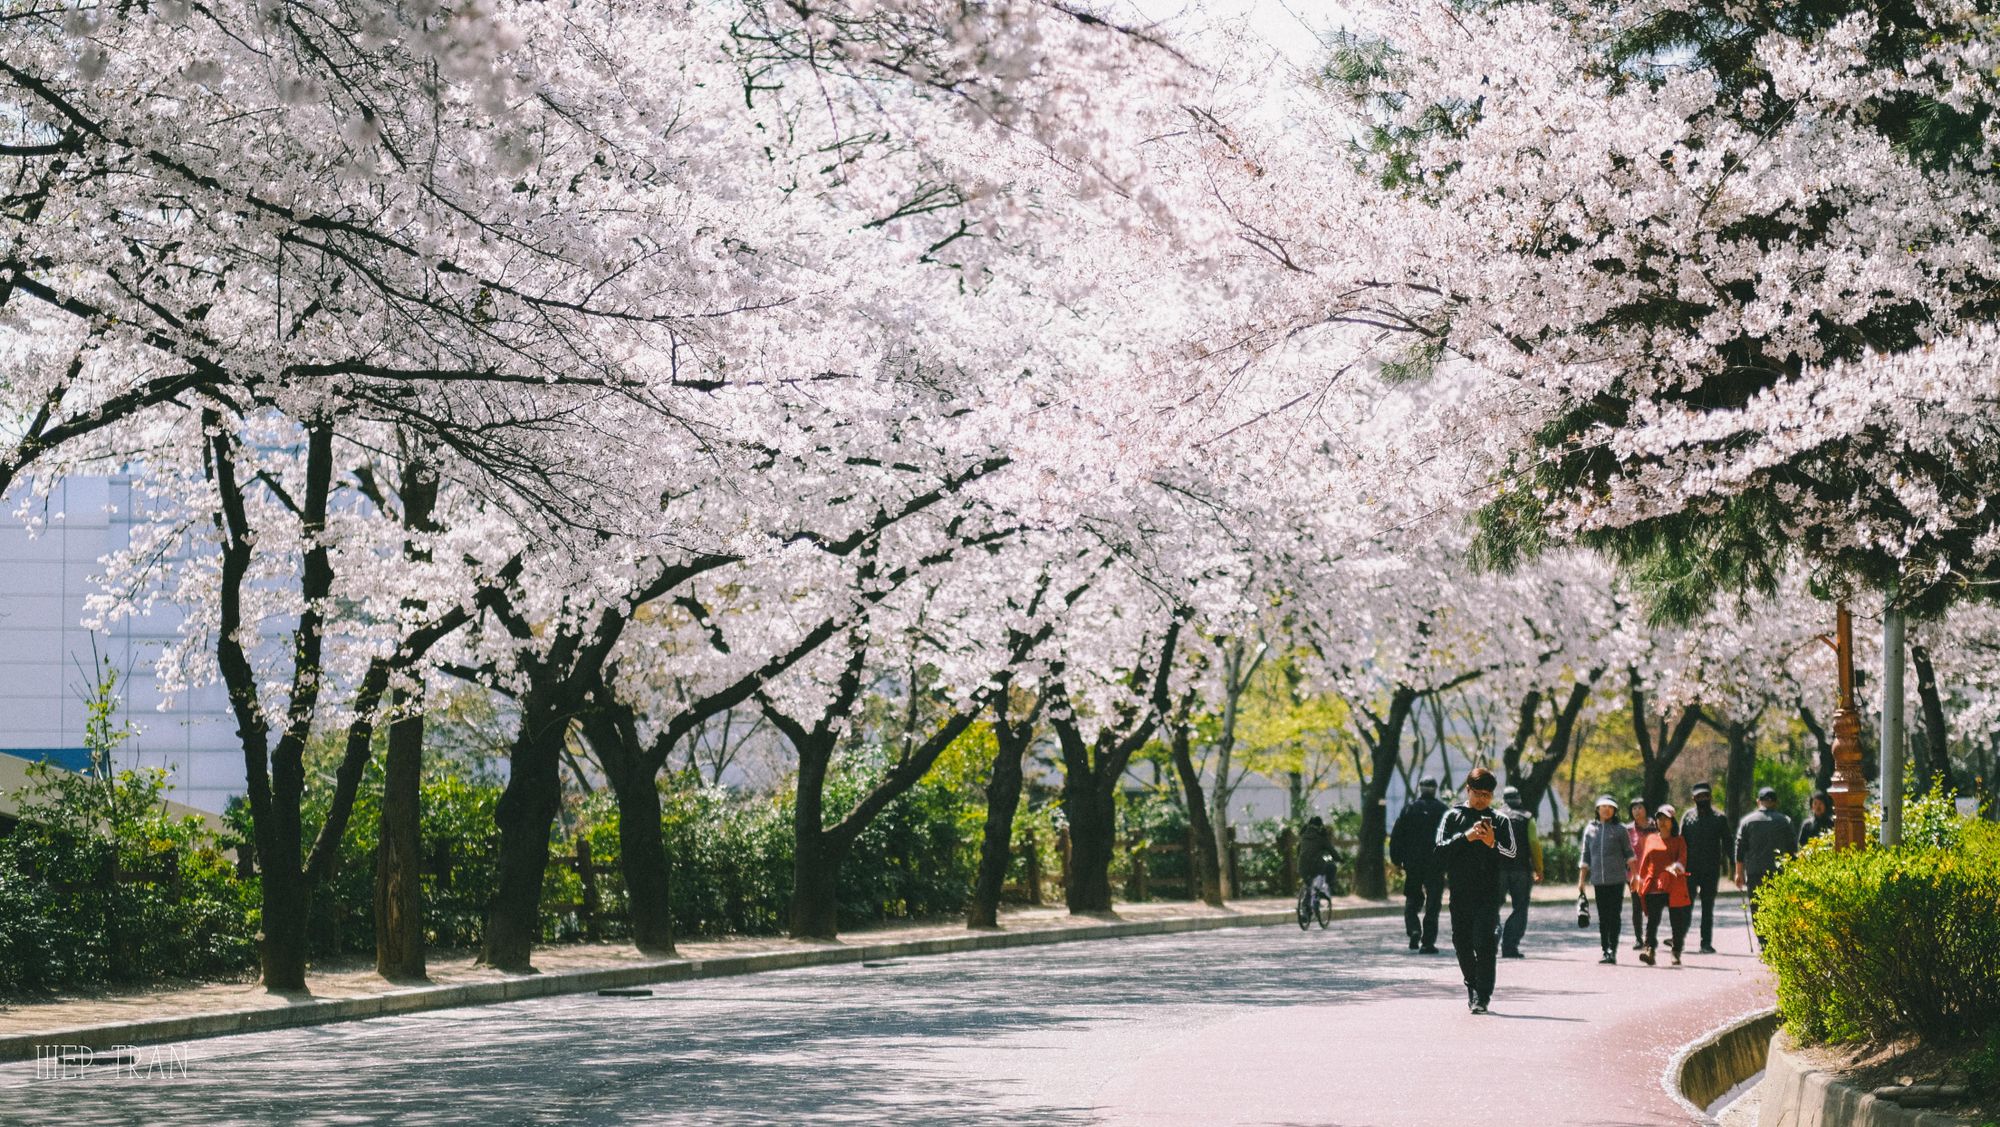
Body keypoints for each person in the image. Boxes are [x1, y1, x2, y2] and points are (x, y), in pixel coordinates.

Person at [1434, 767, 1517, 1013]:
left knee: (1484, 942)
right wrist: (1466, 837)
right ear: (1467, 790)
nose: (1481, 799)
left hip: (1489, 893)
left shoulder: (1500, 820)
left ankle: (1482, 995)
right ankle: (1471, 985)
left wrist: (1493, 843)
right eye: (1477, 793)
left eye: (1487, 794)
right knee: (1461, 941)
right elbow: (1438, 852)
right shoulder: (1452, 817)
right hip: (1460, 892)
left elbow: (1513, 856)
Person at [1390, 777, 1448, 953]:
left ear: (1420, 788)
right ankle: (1428, 942)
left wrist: (1396, 860)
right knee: (1433, 903)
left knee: (1412, 899)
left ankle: (1414, 929)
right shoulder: (1443, 811)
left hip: (1413, 863)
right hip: (1436, 864)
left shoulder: (1409, 809)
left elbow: (1397, 835)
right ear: (1435, 789)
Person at [1735, 786, 1798, 938]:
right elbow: (1793, 850)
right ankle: (1776, 940)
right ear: (1776, 802)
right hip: (1778, 873)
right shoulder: (1785, 821)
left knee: (1757, 907)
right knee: (1778, 906)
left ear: (1758, 802)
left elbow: (1740, 849)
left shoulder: (1747, 822)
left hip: (1755, 872)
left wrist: (1739, 873)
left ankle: (1763, 942)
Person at [1577, 796, 1634, 963]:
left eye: (1610, 807)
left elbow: (1629, 853)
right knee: (1603, 916)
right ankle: (1605, 949)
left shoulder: (1620, 830)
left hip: (1616, 880)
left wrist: (1635, 876)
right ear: (1597, 810)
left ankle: (1613, 949)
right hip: (1598, 881)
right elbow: (1585, 855)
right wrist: (1581, 880)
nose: (1606, 810)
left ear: (1615, 810)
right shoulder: (1590, 829)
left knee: (1614, 915)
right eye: (1603, 807)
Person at [1635, 805, 1693, 965]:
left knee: (1677, 920)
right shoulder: (1651, 839)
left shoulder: (1679, 840)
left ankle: (1676, 951)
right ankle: (1649, 950)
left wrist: (1674, 869)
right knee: (1653, 919)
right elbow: (1644, 863)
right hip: (1655, 885)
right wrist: (1639, 879)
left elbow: (1682, 859)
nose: (1662, 822)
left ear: (1672, 821)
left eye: (1666, 819)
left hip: (1674, 884)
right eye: (1659, 818)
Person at [1680, 782, 1732, 954]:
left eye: (1705, 796)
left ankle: (1706, 942)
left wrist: (1733, 863)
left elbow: (1728, 841)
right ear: (1693, 798)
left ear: (1710, 797)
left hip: (1711, 868)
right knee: (1686, 904)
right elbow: (1680, 842)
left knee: (1707, 906)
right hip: (1690, 868)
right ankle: (1679, 938)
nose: (1702, 799)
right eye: (1699, 796)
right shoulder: (1687, 817)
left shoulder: (1719, 818)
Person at [1494, 785, 1540, 958]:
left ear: (1503, 800)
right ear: (1519, 799)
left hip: (1497, 871)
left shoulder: (1493, 817)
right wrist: (1539, 868)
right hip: (1521, 869)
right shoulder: (1527, 818)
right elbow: (1534, 845)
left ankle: (1492, 939)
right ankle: (1510, 946)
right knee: (1520, 907)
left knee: (1492, 907)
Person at [1626, 797, 1653, 951]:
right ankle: (1638, 938)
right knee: (1637, 906)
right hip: (1634, 874)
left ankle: (1650, 937)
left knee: (1651, 906)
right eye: (1634, 808)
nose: (1637, 811)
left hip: (1651, 873)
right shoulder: (1628, 829)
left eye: (1640, 807)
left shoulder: (1654, 826)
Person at [1297, 814, 1338, 900]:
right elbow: (1331, 851)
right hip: (1316, 866)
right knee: (1331, 866)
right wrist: (1339, 859)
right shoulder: (1321, 838)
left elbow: (1299, 851)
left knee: (1309, 883)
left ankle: (1306, 901)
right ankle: (1325, 889)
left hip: (1302, 867)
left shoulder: (1303, 836)